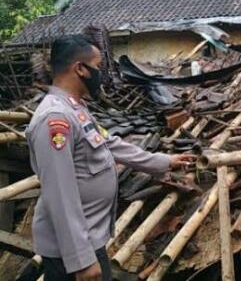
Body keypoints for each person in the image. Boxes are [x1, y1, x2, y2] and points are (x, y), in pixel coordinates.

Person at [26, 35, 196, 281]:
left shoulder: (76, 109)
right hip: (72, 251)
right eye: (98, 67)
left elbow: (110, 143)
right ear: (80, 69)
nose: (102, 74)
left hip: (89, 237)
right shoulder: (54, 120)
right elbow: (60, 194)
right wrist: (81, 260)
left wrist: (163, 161)